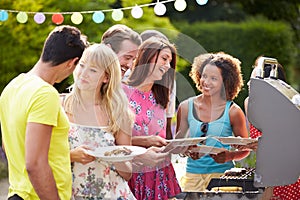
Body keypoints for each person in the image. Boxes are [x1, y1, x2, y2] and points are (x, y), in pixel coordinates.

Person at [0, 25, 87, 200]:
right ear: (72, 63)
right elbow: (35, 163)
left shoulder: (12, 86)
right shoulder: (45, 93)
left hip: (19, 193)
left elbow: (7, 144)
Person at [62, 43, 136, 199]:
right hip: (70, 194)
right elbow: (41, 156)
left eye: (93, 70)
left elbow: (127, 173)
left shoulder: (119, 113)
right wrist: (71, 155)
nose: (83, 73)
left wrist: (114, 157)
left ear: (106, 77)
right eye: (82, 65)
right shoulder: (59, 105)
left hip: (111, 194)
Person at [175, 52, 250, 192]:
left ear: (225, 82)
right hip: (192, 179)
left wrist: (230, 156)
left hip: (223, 180)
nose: (206, 82)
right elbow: (178, 142)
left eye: (213, 78)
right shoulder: (185, 107)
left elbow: (245, 148)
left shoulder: (233, 111)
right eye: (204, 76)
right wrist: (186, 150)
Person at [122, 37, 181, 199]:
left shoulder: (162, 96)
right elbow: (110, 140)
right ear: (148, 56)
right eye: (164, 59)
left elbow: (163, 137)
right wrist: (145, 141)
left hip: (159, 175)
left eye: (170, 62)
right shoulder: (121, 91)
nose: (167, 66)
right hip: (130, 171)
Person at [244, 56, 300, 200]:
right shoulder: (249, 102)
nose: (250, 83)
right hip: (263, 173)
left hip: (285, 174)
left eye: (255, 79)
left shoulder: (286, 105)